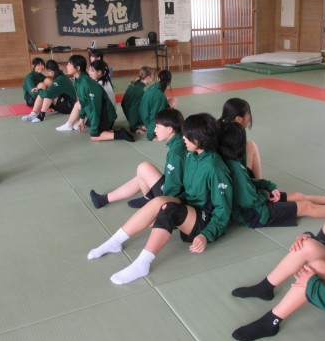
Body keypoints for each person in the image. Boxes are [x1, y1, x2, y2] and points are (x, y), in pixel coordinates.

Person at [230, 173, 325, 341]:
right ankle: (265, 287)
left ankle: (272, 321)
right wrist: (308, 237)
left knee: (316, 268)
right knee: (307, 245)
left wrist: (313, 284)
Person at [87, 113, 232, 285]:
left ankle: (143, 263)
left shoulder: (215, 168)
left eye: (186, 136)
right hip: (191, 207)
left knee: (168, 209)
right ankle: (114, 242)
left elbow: (223, 211)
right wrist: (161, 207)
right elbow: (188, 191)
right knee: (159, 203)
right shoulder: (192, 156)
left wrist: (205, 235)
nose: (183, 138)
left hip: (205, 220)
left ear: (198, 140)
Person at [219, 121, 325, 227]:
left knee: (299, 196)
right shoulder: (235, 168)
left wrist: (270, 187)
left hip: (258, 200)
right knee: (306, 206)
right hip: (257, 214)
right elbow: (248, 201)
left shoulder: (233, 160)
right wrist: (266, 194)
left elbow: (249, 183)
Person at [89, 108, 186, 209]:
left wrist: (161, 204)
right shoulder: (180, 141)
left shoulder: (176, 152)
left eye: (157, 127)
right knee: (142, 175)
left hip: (173, 200)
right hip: (178, 191)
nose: (154, 130)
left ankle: (150, 199)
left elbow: (174, 186)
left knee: (144, 168)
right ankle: (103, 199)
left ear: (170, 129)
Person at [55, 55, 133, 142]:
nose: (67, 66)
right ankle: (106, 130)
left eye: (69, 64)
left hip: (105, 116)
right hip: (97, 114)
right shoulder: (78, 80)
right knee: (77, 125)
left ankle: (121, 134)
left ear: (77, 68)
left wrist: (94, 130)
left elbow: (95, 108)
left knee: (94, 136)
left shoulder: (87, 83)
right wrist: (81, 120)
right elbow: (83, 102)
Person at [220, 98, 261, 177]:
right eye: (248, 114)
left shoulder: (217, 126)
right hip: (236, 176)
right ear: (238, 119)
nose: (249, 117)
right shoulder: (237, 135)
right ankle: (257, 182)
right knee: (251, 146)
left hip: (220, 176)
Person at [138, 69, 177, 141]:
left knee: (171, 100)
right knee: (173, 101)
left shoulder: (152, 87)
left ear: (158, 78)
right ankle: (150, 127)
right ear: (169, 82)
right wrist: (151, 135)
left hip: (142, 117)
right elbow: (155, 116)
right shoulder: (160, 96)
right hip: (147, 121)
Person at [121, 66, 154, 132]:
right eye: (152, 78)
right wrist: (133, 127)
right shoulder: (139, 90)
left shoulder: (134, 84)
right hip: (134, 118)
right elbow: (133, 110)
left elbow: (123, 103)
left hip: (130, 115)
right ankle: (140, 124)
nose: (152, 80)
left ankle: (140, 123)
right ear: (148, 77)